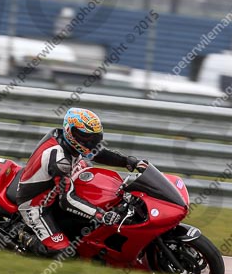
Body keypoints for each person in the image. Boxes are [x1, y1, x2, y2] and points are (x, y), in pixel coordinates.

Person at [16, 107, 147, 257]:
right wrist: (101, 215)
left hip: (60, 183)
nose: (90, 142)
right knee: (62, 252)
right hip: (37, 204)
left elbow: (98, 154)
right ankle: (23, 236)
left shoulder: (67, 140)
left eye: (93, 138)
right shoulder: (60, 160)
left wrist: (129, 162)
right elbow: (66, 200)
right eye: (85, 137)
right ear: (70, 132)